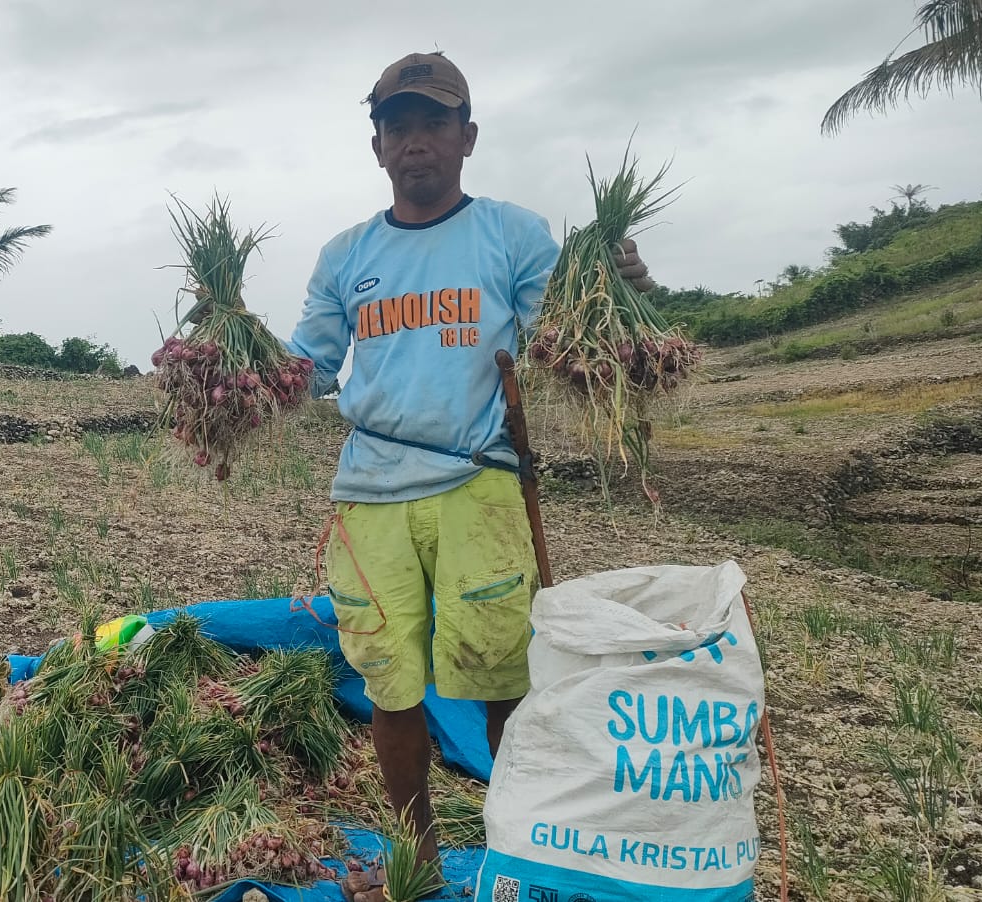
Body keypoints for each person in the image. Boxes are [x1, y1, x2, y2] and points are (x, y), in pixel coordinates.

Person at [274, 52, 653, 901]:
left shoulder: (512, 235)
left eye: (434, 122)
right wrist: (235, 360)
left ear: (467, 137)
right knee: (389, 679)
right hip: (369, 490)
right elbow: (309, 365)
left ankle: (516, 846)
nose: (416, 142)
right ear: (377, 147)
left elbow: (566, 336)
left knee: (500, 672)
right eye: (398, 126)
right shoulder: (347, 255)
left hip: (479, 482)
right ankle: (419, 856)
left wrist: (620, 288)